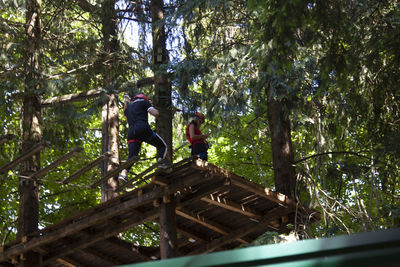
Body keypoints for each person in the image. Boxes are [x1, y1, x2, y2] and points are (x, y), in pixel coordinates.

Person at [118, 93, 168, 182]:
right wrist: (159, 111)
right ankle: (160, 164)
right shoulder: (144, 102)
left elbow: (125, 114)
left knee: (132, 156)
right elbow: (155, 113)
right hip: (142, 129)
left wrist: (126, 103)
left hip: (131, 133)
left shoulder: (129, 107)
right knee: (162, 146)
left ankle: (123, 174)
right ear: (144, 99)